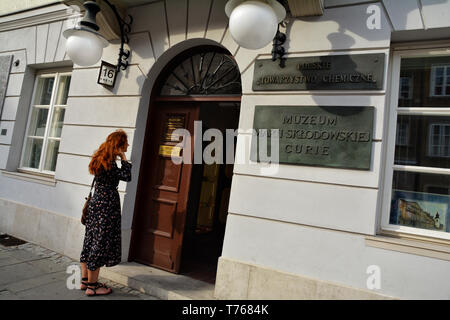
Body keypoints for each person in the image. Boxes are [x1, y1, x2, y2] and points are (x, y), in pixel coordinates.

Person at [79, 129, 132, 296]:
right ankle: (93, 287)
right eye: (125, 143)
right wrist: (124, 159)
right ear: (119, 144)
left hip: (96, 204)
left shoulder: (101, 158)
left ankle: (85, 280)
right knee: (99, 244)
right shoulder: (109, 163)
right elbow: (127, 176)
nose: (128, 145)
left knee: (90, 239)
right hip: (106, 207)